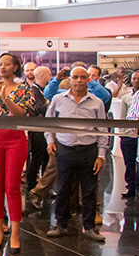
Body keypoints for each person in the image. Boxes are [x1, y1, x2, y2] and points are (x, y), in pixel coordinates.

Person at [0, 53, 34, 255]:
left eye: (7, 64)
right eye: (0, 64)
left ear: (15, 67)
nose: (2, 67)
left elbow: (21, 113)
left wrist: (3, 97)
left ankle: (15, 233)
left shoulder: (24, 89)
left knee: (12, 187)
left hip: (15, 138)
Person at [45, 67, 108, 242]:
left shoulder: (97, 102)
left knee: (89, 191)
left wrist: (101, 155)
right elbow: (47, 123)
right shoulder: (58, 99)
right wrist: (50, 141)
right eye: (75, 77)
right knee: (63, 189)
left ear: (88, 80)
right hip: (65, 149)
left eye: (82, 77)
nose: (79, 80)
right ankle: (60, 224)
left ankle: (89, 227)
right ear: (70, 79)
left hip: (88, 151)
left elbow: (103, 130)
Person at [26, 68, 50, 190]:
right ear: (42, 75)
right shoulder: (33, 91)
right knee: (37, 158)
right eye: (49, 74)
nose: (50, 77)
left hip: (43, 129)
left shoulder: (42, 90)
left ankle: (43, 185)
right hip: (37, 131)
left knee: (45, 158)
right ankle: (32, 184)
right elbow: (37, 108)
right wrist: (51, 104)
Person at [121, 71, 139, 198]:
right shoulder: (127, 97)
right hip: (129, 134)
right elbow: (124, 117)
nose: (136, 81)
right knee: (129, 162)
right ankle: (131, 187)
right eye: (134, 78)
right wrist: (123, 134)